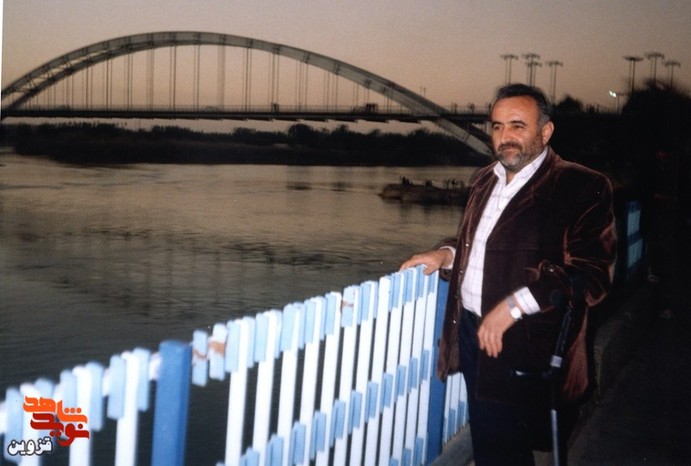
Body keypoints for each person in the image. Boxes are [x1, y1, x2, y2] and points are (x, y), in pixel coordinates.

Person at [400, 84, 617, 465]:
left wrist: (513, 306)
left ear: (545, 131)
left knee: (502, 450)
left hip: (525, 339)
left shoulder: (581, 185)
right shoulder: (485, 179)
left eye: (518, 125)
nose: (505, 137)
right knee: (494, 444)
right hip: (472, 330)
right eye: (497, 126)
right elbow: (478, 242)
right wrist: (446, 253)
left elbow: (592, 273)